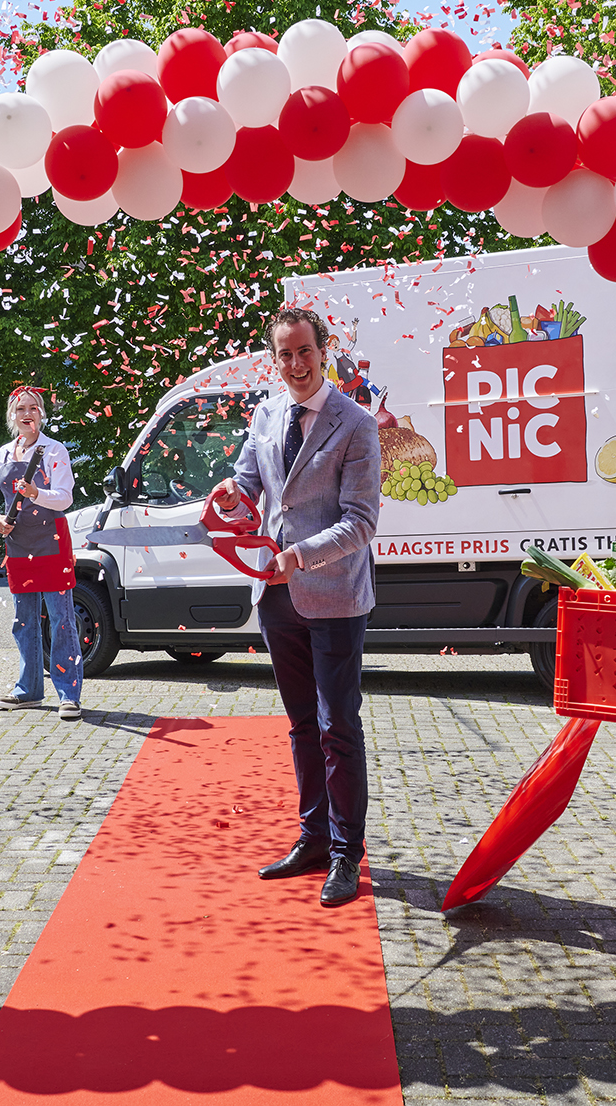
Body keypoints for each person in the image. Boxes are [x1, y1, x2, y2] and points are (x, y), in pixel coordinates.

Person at [211, 306, 381, 908]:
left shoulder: (355, 424)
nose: (295, 364)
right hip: (275, 594)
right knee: (302, 724)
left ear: (323, 350)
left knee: (339, 726)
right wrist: (233, 495)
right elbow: (250, 483)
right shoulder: (265, 411)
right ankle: (311, 839)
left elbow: (361, 522)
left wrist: (299, 556)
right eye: (284, 354)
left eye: (304, 351)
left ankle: (345, 854)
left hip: (332, 593)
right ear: (274, 358)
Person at [0, 387, 82, 721]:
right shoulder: (4, 455)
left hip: (52, 543)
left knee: (62, 619)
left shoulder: (55, 451)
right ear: (12, 416)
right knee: (24, 621)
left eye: (33, 408)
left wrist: (37, 493)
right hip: (19, 546)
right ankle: (29, 690)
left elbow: (64, 498)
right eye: (20, 409)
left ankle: (69, 695)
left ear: (41, 414)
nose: (27, 414)